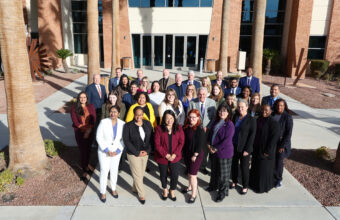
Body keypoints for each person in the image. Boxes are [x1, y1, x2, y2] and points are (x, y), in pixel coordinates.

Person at [123, 106, 153, 204]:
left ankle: (135, 188)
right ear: (134, 115)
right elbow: (126, 141)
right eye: (137, 115)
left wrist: (147, 151)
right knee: (137, 174)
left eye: (140, 114)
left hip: (145, 153)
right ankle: (141, 194)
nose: (139, 116)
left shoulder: (148, 124)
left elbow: (151, 139)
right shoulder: (128, 126)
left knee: (140, 174)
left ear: (143, 114)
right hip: (133, 154)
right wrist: (137, 152)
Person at [96, 105, 125, 203]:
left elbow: (123, 140)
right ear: (109, 112)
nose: (113, 113)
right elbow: (98, 137)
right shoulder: (103, 122)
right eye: (111, 111)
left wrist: (118, 150)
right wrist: (106, 149)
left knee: (114, 170)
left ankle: (113, 188)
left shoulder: (122, 124)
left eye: (115, 112)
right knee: (104, 170)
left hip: (116, 152)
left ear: (119, 113)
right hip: (104, 151)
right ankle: (103, 191)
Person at [206, 103, 235, 202]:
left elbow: (226, 141)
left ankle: (222, 193)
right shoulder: (216, 121)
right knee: (214, 171)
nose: (222, 113)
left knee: (223, 175)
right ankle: (213, 186)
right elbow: (211, 134)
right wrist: (209, 145)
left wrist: (215, 148)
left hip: (224, 153)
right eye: (220, 110)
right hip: (214, 152)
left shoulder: (230, 124)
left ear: (228, 113)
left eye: (224, 111)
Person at [154, 110, 185, 201]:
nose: (169, 120)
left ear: (174, 119)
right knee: (163, 175)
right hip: (162, 157)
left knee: (175, 175)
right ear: (164, 119)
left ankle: (172, 190)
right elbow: (157, 144)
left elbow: (181, 142)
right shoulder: (159, 129)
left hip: (175, 157)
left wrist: (175, 154)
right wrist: (166, 155)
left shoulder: (179, 128)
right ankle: (165, 190)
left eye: (171, 118)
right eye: (167, 118)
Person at [249, 104, 280, 193]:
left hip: (266, 151)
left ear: (270, 111)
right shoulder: (258, 119)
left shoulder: (273, 123)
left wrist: (267, 151)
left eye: (266, 110)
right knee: (255, 167)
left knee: (263, 170)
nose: (264, 111)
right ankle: (253, 184)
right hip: (256, 148)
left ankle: (261, 188)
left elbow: (274, 139)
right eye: (262, 109)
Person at [188, 87, 216, 175]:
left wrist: (207, 127)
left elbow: (214, 117)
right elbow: (189, 116)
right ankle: (190, 166)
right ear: (198, 94)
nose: (202, 96)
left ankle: (203, 166)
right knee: (193, 147)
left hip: (207, 130)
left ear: (207, 94)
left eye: (204, 94)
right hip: (195, 130)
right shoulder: (193, 102)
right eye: (200, 94)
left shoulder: (212, 102)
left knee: (204, 149)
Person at [230, 99, 256, 195]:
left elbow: (252, 136)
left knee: (244, 168)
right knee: (234, 165)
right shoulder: (236, 116)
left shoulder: (251, 119)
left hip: (244, 148)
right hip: (234, 145)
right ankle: (234, 181)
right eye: (239, 107)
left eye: (242, 107)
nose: (240, 109)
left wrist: (247, 149)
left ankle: (245, 186)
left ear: (247, 107)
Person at [70, 92, 96, 181]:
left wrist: (89, 129)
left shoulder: (91, 106)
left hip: (90, 131)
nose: (83, 99)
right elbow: (75, 121)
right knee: (83, 151)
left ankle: (87, 165)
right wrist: (84, 129)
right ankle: (84, 170)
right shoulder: (74, 108)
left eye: (84, 97)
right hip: (80, 132)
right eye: (81, 97)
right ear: (78, 98)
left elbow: (94, 119)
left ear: (87, 98)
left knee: (88, 150)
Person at [182, 109, 206, 203]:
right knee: (189, 172)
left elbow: (200, 144)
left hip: (196, 155)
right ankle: (189, 187)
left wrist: (195, 155)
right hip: (187, 154)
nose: (192, 119)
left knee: (193, 175)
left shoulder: (200, 129)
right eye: (190, 117)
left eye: (194, 117)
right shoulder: (187, 127)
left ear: (198, 118)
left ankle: (193, 194)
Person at [273, 98, 293, 188]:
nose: (279, 107)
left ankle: (278, 180)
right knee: (272, 161)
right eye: (278, 105)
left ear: (284, 106)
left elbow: (288, 134)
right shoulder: (273, 115)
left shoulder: (288, 117)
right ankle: (272, 177)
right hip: (273, 143)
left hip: (281, 144)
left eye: (281, 105)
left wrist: (282, 146)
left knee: (279, 162)